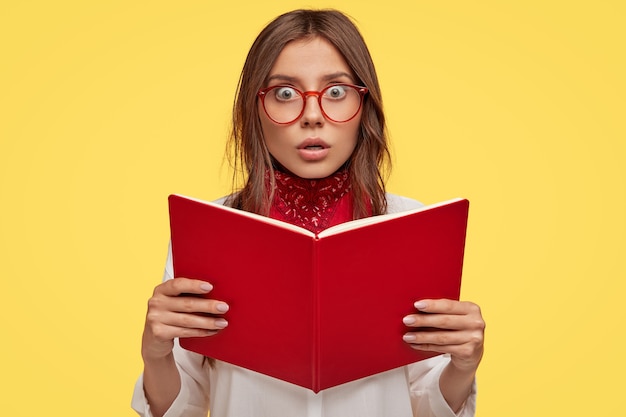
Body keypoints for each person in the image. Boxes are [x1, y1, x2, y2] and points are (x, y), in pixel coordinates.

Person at [132, 9, 485, 417]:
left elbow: (429, 405)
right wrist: (156, 355)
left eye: (336, 91)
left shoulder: (412, 225)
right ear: (255, 109)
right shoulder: (209, 230)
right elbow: (181, 408)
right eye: (285, 93)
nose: (312, 115)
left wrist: (463, 364)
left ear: (364, 103)